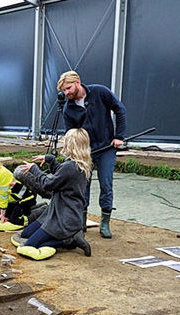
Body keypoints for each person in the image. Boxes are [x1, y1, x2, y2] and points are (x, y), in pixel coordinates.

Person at [57, 70, 127, 239]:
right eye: (64, 90)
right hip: (85, 152)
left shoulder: (100, 92)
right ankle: (81, 221)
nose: (66, 93)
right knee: (82, 185)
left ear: (78, 82)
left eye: (68, 88)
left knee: (106, 183)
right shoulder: (68, 109)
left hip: (107, 147)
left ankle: (105, 222)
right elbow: (70, 133)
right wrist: (73, 153)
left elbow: (120, 109)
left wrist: (119, 136)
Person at [12, 128, 94, 260]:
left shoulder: (70, 167)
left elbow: (48, 184)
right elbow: (62, 176)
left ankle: (69, 240)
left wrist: (34, 169)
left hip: (62, 218)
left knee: (28, 245)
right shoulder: (82, 164)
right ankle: (69, 236)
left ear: (70, 145)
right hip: (61, 212)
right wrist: (51, 160)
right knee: (25, 234)